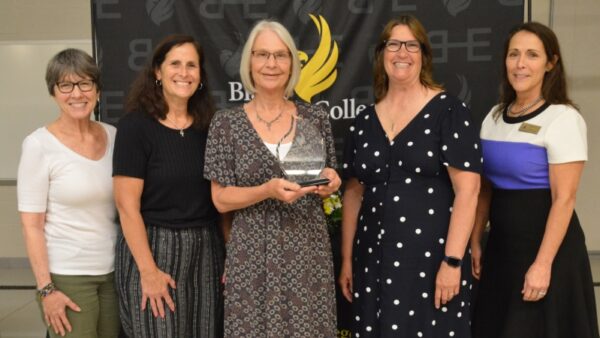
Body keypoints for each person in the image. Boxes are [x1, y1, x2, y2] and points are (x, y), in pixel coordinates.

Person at [339, 15, 482, 337]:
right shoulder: (363, 121)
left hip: (431, 264)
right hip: (372, 264)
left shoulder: (449, 111)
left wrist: (453, 262)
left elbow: (468, 192)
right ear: (381, 54)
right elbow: (353, 193)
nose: (401, 53)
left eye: (411, 45)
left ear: (424, 55)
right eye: (393, 44)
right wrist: (347, 259)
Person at [204, 19, 341, 337]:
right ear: (249, 62)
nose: (271, 64)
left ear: (292, 63)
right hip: (252, 255)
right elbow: (220, 199)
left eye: (280, 55)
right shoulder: (226, 124)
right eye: (262, 54)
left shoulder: (315, 117)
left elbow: (327, 179)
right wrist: (266, 190)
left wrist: (329, 183)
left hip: (308, 252)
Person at [471, 22, 599, 338]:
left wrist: (543, 266)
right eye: (514, 54)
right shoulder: (494, 117)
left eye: (532, 55)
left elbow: (564, 199)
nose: (520, 64)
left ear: (551, 63)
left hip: (549, 255)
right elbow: (484, 189)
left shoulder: (564, 119)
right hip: (502, 253)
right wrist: (475, 240)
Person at [112, 35, 224, 338]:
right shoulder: (135, 127)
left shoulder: (211, 126)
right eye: (175, 64)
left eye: (192, 65)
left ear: (201, 75)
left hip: (205, 251)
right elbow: (126, 207)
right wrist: (148, 273)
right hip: (153, 249)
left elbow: (221, 199)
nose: (184, 73)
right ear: (157, 72)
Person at [17, 48, 120, 338]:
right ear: (53, 92)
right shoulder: (38, 145)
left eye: (85, 83)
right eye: (66, 85)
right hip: (68, 275)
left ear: (97, 90)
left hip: (113, 273)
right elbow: (31, 225)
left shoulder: (114, 136)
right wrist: (46, 290)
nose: (77, 93)